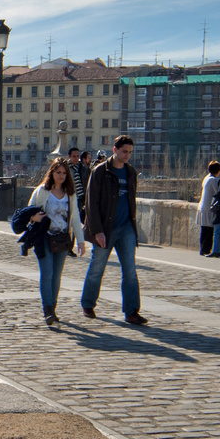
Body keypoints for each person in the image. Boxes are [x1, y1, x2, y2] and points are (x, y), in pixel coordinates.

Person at [79, 135, 146, 325]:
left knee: (130, 271)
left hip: (126, 227)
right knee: (97, 268)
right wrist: (98, 230)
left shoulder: (131, 172)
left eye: (130, 152)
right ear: (114, 150)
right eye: (124, 151)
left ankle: (132, 311)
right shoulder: (100, 171)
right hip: (106, 228)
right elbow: (91, 203)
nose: (127, 155)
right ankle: (88, 304)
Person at [26, 158, 85, 328]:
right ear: (52, 172)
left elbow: (75, 219)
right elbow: (28, 210)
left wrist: (80, 242)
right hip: (44, 237)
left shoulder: (70, 193)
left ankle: (53, 307)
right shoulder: (42, 191)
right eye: (58, 172)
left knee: (57, 275)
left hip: (62, 238)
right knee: (47, 273)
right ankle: (48, 310)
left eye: (64, 173)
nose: (61, 176)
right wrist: (33, 217)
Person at [195, 160, 220, 256]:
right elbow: (217, 192)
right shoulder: (213, 180)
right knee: (209, 230)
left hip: (202, 206)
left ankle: (202, 248)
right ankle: (206, 249)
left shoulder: (206, 178)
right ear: (218, 170)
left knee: (204, 229)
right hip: (209, 208)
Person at [72, 150, 92, 217]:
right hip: (80, 198)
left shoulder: (88, 169)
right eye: (89, 158)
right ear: (84, 159)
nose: (90, 160)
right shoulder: (81, 169)